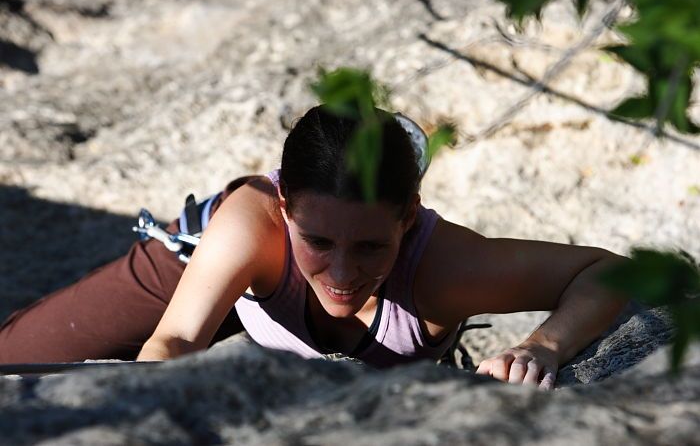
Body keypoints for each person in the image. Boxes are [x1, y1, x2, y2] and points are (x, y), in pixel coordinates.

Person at [0, 105, 627, 389]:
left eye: (370, 246)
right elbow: (176, 341)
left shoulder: (444, 269)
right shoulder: (254, 227)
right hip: (207, 268)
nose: (343, 272)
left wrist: (543, 344)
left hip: (277, 282)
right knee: (13, 362)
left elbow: (613, 271)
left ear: (408, 218)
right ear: (284, 208)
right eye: (319, 240)